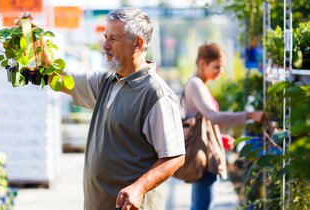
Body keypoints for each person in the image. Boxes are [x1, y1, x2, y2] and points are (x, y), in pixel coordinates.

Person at [18, 8, 185, 210]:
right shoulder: (106, 81)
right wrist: (36, 37)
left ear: (138, 44)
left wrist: (139, 188)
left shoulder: (155, 94)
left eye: (113, 39)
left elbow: (174, 156)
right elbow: (56, 78)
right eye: (105, 37)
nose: (105, 45)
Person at [182, 43, 264, 210]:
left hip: (204, 154)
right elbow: (214, 117)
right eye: (217, 67)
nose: (221, 72)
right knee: (201, 206)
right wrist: (250, 115)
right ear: (203, 63)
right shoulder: (196, 85)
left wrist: (219, 138)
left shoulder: (197, 84)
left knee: (200, 204)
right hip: (203, 158)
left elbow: (204, 121)